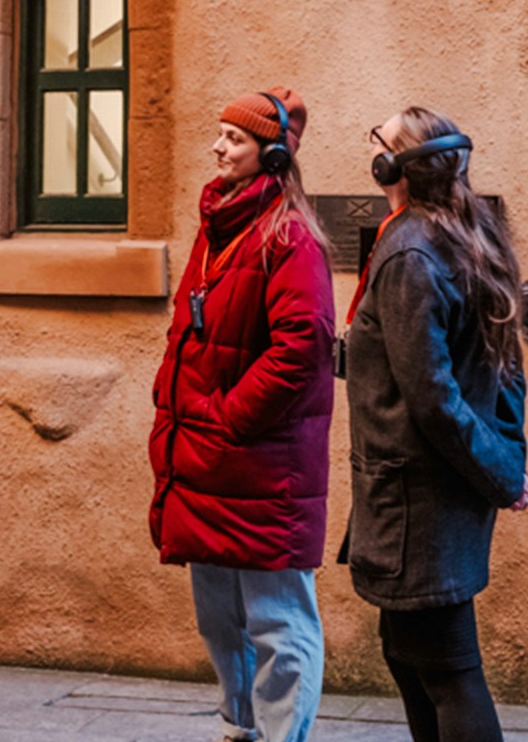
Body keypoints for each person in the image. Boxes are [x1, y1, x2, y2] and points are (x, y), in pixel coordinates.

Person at [339, 106, 528, 742]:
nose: (374, 147)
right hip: (433, 491)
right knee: (408, 653)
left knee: (449, 670)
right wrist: (504, 461)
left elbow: (433, 397)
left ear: (393, 165)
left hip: (418, 498)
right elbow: (499, 371)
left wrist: (503, 475)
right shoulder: (461, 233)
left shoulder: (409, 255)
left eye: (382, 140)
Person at [149, 87, 336, 742]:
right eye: (220, 133)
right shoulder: (218, 228)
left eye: (233, 138)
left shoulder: (290, 240)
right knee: (219, 621)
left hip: (259, 469)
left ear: (272, 154)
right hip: (208, 463)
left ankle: (281, 736)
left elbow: (298, 352)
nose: (218, 147)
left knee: (280, 625)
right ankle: (240, 728)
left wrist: (227, 419)